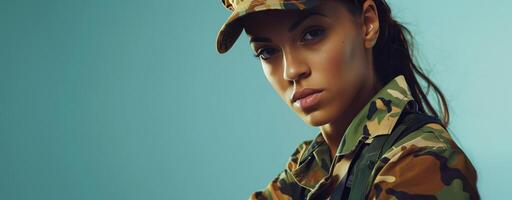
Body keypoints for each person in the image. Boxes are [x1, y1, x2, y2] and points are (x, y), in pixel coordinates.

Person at [216, 0, 479, 199]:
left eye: (311, 33)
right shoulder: (311, 164)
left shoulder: (422, 162)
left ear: (367, 24)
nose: (291, 71)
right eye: (267, 51)